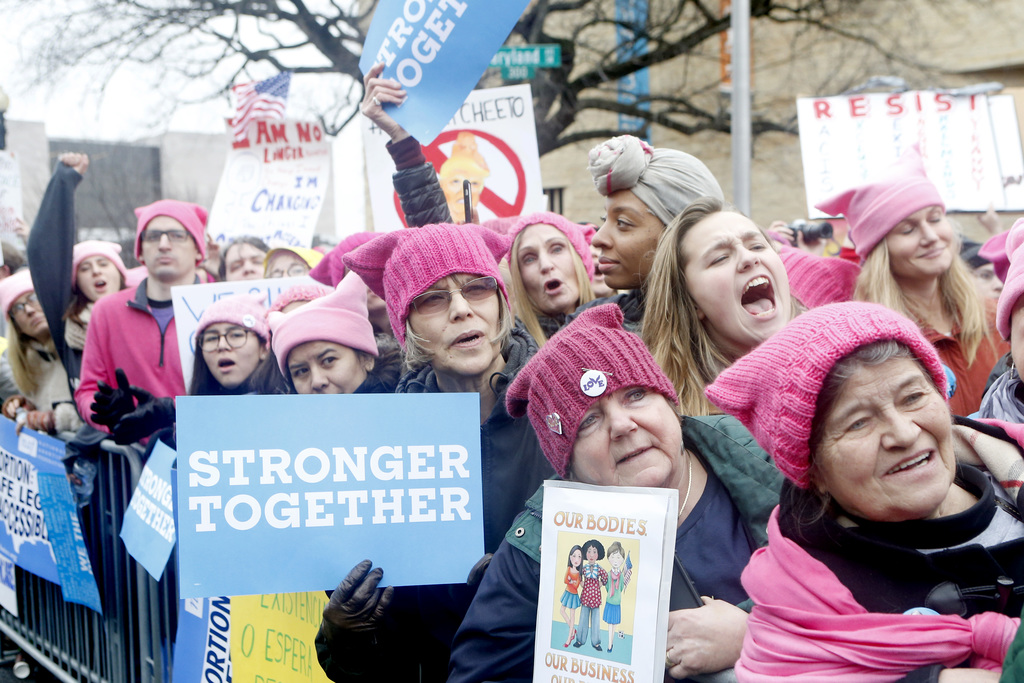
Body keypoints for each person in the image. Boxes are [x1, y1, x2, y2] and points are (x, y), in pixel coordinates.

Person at [448, 304, 784, 683]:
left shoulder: (763, 456)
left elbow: (857, 590)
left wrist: (756, 635)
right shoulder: (543, 540)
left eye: (636, 395)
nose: (622, 425)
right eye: (590, 420)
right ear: (568, 465)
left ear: (669, 403)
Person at [706, 301, 1024, 681]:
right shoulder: (802, 600)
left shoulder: (1012, 474)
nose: (904, 433)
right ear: (813, 469)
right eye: (858, 423)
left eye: (913, 397)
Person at [313, 224, 554, 683]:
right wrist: (345, 633)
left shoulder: (562, 408)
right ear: (406, 326)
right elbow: (390, 651)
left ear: (502, 301)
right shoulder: (383, 445)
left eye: (478, 288)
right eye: (433, 299)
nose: (463, 310)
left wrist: (522, 591)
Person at [816, 145, 1007, 415]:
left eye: (935, 218)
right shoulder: (873, 347)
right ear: (880, 252)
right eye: (908, 229)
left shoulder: (996, 318)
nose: (930, 236)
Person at [643, 196, 801, 414]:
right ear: (691, 302)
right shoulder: (681, 426)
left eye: (757, 246)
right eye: (720, 258)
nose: (748, 258)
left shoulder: (849, 367)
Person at [76, 199, 208, 439]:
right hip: (136, 463)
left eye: (177, 235)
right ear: (140, 250)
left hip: (207, 455)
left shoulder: (223, 306)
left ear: (199, 248)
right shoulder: (106, 311)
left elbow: (245, 393)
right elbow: (87, 389)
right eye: (153, 236)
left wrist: (174, 413)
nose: (164, 244)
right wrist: (105, 412)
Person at [581, 134, 724, 330]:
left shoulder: (749, 326)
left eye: (622, 222)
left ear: (679, 234)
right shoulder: (587, 329)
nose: (598, 239)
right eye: (605, 220)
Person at [26, 153, 129, 390]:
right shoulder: (66, 321)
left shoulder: (146, 312)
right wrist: (63, 181)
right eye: (85, 268)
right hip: (92, 425)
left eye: (103, 264)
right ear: (76, 283)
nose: (95, 271)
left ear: (120, 273)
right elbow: (44, 253)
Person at [268, 272, 400, 395]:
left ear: (367, 359)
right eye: (301, 371)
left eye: (328, 360)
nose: (317, 382)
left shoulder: (409, 405)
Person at [0, 271, 82, 434]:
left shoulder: (79, 344)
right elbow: (37, 409)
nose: (30, 310)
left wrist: (55, 419)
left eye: (34, 298)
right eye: (18, 307)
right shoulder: (27, 361)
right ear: (16, 325)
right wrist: (22, 407)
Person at [506, 211, 595, 345]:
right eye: (529, 259)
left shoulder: (624, 326)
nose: (546, 265)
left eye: (557, 249)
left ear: (581, 260)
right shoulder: (511, 351)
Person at [189, 293, 272, 396]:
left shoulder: (288, 402)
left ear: (264, 348)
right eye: (212, 338)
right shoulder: (189, 409)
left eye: (236, 335)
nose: (222, 346)